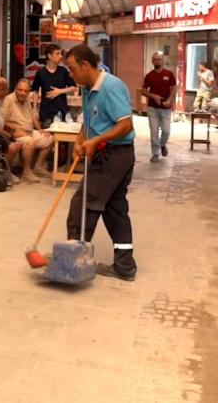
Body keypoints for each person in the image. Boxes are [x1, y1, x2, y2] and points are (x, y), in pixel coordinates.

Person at [63, 44, 138, 281]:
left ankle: (71, 263)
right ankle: (125, 266)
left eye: (73, 69)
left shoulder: (111, 86)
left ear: (86, 65)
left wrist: (97, 141)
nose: (71, 74)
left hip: (115, 154)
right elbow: (89, 120)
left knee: (84, 203)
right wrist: (80, 139)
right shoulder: (87, 87)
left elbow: (125, 124)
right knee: (115, 210)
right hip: (106, 151)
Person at [1, 79, 54, 183]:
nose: (22, 93)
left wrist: (40, 129)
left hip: (29, 131)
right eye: (20, 90)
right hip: (15, 132)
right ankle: (26, 171)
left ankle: (38, 166)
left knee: (49, 138)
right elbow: (2, 121)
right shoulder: (9, 99)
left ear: (28, 92)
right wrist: (15, 129)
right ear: (16, 89)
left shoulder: (26, 99)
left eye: (25, 91)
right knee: (30, 141)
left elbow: (32, 117)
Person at [32, 44, 77, 128]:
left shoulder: (63, 71)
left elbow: (74, 87)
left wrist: (59, 91)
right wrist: (34, 110)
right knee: (47, 136)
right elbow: (35, 91)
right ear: (49, 56)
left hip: (62, 110)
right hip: (46, 112)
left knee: (63, 138)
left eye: (60, 54)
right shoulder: (40, 73)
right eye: (57, 54)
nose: (60, 56)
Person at [142, 52, 176, 163]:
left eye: (159, 59)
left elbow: (173, 89)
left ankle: (162, 144)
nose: (157, 61)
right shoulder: (149, 76)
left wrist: (170, 99)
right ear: (152, 61)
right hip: (152, 109)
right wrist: (153, 96)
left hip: (166, 108)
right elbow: (143, 90)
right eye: (155, 59)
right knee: (154, 132)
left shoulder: (169, 74)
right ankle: (155, 153)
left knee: (166, 131)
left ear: (162, 60)